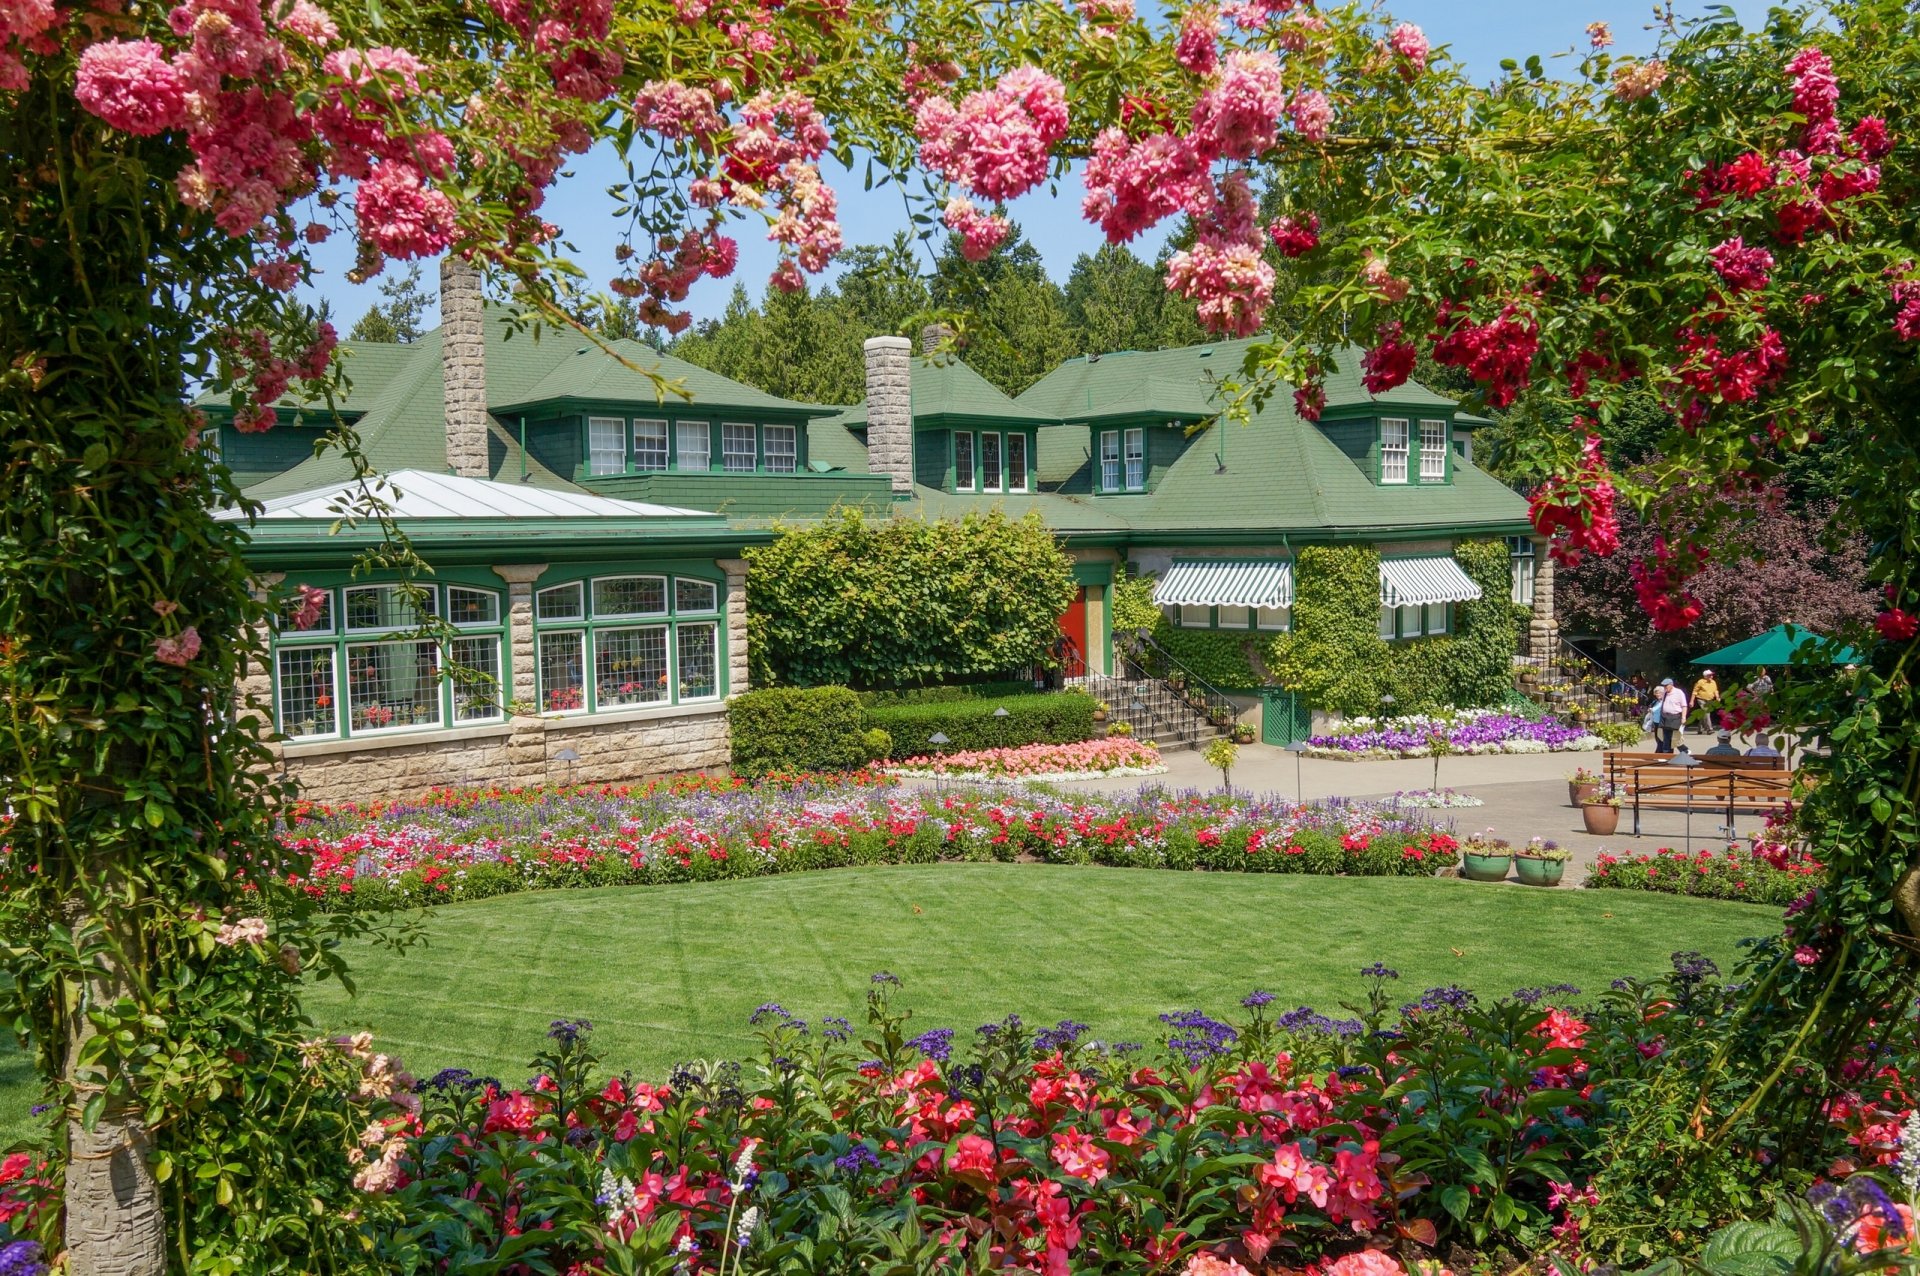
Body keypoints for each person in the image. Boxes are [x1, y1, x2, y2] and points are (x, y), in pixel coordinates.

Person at [1655, 677, 1688, 752]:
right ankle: (1667, 754)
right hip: (1665, 717)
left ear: (1671, 685)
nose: (1664, 687)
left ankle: (1685, 751)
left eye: (1666, 685)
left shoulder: (1679, 692)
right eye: (1664, 686)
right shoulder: (1665, 693)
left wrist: (1683, 717)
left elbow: (1684, 706)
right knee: (1666, 737)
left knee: (1676, 738)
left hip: (1675, 717)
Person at [1690, 667, 1722, 733]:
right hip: (1701, 699)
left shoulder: (1713, 682)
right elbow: (1695, 691)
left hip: (1709, 700)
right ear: (1705, 676)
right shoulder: (1700, 682)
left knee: (1704, 713)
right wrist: (1691, 701)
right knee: (1706, 712)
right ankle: (1709, 729)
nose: (1711, 676)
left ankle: (1700, 729)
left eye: (1712, 675)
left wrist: (1717, 697)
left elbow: (1715, 690)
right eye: (1710, 675)